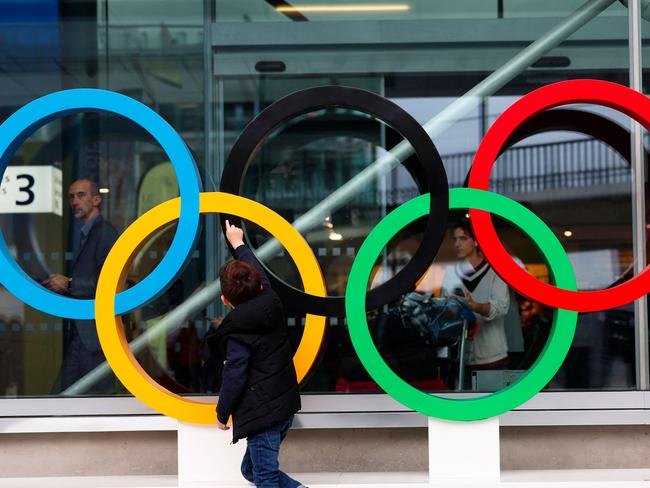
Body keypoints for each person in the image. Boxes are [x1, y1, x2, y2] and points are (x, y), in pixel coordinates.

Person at [211, 220, 304, 488]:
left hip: (263, 416)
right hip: (282, 407)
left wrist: (222, 413)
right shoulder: (271, 299)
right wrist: (238, 243)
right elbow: (257, 271)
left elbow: (234, 376)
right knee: (250, 470)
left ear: (225, 300)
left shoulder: (238, 332)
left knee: (264, 479)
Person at [43, 178, 118, 391]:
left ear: (96, 199)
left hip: (95, 336)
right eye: (71, 196)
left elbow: (110, 282)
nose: (74, 201)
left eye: (81, 195)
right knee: (66, 396)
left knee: (93, 398)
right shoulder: (87, 233)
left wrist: (69, 282)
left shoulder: (105, 233)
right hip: (82, 334)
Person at [440, 222, 510, 384]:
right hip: (460, 356)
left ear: (476, 241)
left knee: (493, 408)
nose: (457, 244)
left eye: (463, 238)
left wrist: (473, 306)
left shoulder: (496, 271)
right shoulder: (451, 274)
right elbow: (444, 313)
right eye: (455, 239)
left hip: (492, 356)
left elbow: (500, 308)